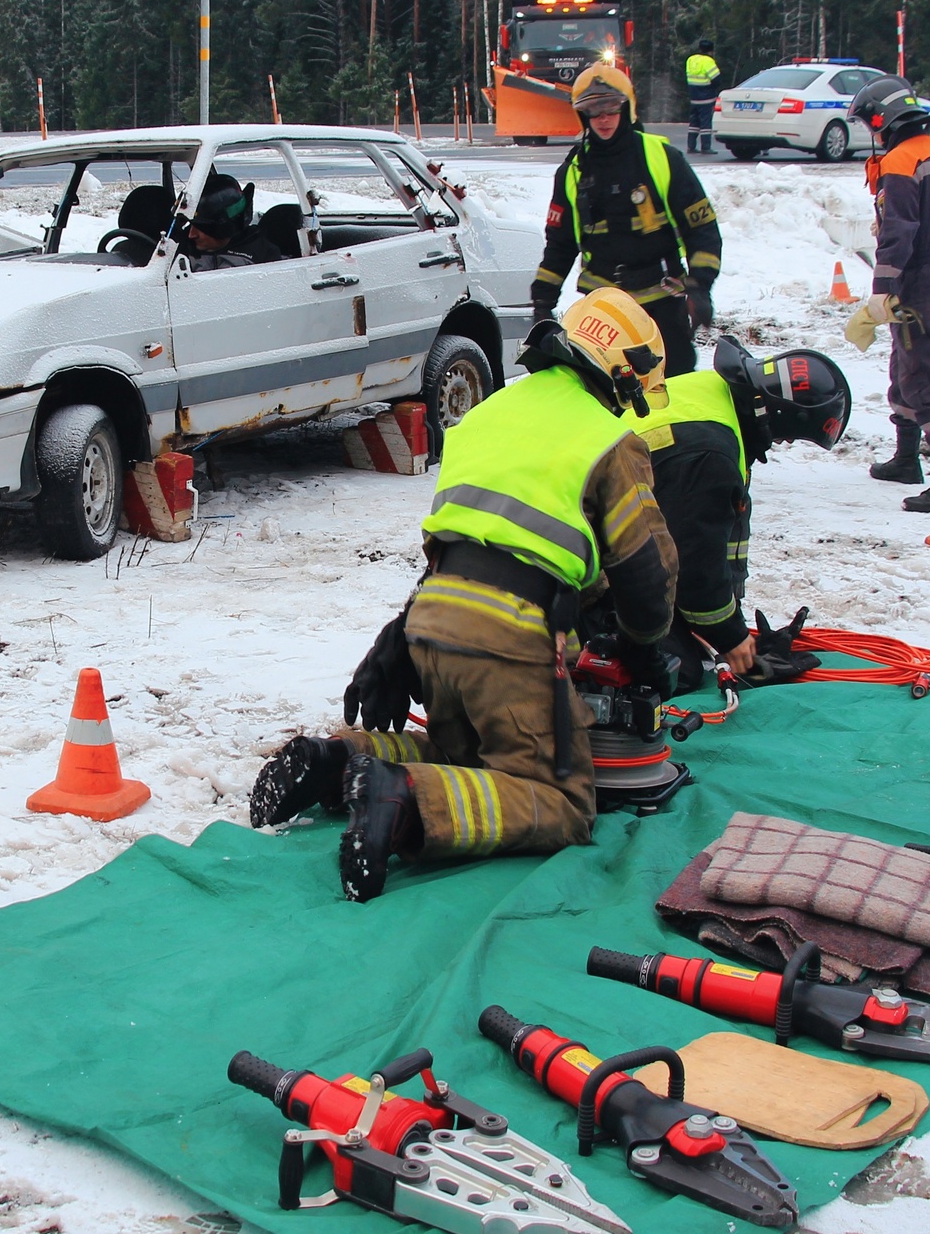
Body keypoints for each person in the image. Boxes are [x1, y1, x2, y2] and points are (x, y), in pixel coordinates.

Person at [247, 288, 679, 902]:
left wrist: (400, 634)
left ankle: (335, 762)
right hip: (510, 638)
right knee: (562, 800)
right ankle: (402, 799)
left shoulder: (487, 415)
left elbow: (463, 539)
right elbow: (648, 572)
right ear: (626, 374)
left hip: (429, 623)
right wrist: (645, 651)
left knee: (462, 756)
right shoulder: (609, 441)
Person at [633, 337, 851, 680]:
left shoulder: (712, 396)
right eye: (787, 436)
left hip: (608, 541)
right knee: (674, 670)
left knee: (681, 649)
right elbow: (693, 562)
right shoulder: (709, 453)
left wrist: (730, 628)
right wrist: (732, 638)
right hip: (581, 567)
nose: (783, 443)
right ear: (776, 416)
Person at [531, 62, 724, 375]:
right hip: (602, 312)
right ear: (583, 115)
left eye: (610, 108)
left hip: (662, 302)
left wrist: (700, 286)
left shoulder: (662, 158)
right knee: (607, 392)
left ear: (627, 107)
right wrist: (542, 303)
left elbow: (701, 227)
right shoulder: (572, 173)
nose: (603, 118)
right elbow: (560, 247)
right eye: (594, 111)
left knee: (672, 388)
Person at [846, 79, 930, 513]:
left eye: (871, 125)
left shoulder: (900, 162)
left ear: (887, 120)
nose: (872, 134)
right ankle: (906, 458)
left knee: (924, 371)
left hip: (922, 276)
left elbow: (898, 232)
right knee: (905, 360)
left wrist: (883, 289)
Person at [181, 173, 285, 265]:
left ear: (225, 228)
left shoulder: (262, 255)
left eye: (201, 227)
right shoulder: (180, 250)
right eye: (191, 224)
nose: (191, 235)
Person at [684, 39, 722, 155]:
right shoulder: (708, 61)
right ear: (711, 51)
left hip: (693, 96)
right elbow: (716, 79)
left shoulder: (691, 59)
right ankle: (705, 147)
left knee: (693, 123)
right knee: (705, 123)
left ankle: (691, 146)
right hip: (706, 96)